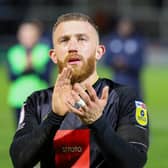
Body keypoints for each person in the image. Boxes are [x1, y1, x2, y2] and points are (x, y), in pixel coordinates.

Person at [10, 13, 149, 168]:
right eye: (64, 40)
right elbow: (20, 161)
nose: (72, 47)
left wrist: (97, 122)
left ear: (99, 51)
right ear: (53, 55)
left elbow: (134, 162)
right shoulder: (37, 101)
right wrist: (54, 118)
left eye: (82, 39)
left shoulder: (124, 98)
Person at [6, 20, 52, 125]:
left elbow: (47, 76)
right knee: (21, 134)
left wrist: (32, 67)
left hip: (41, 99)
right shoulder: (13, 52)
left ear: (37, 35)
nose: (27, 37)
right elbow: (11, 77)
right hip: (18, 99)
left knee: (40, 134)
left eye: (31, 34)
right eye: (24, 34)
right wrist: (26, 68)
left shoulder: (45, 51)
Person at [102, 17, 146, 98]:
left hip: (134, 84)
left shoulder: (138, 42)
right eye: (123, 26)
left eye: (127, 26)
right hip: (117, 83)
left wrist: (127, 64)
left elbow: (141, 63)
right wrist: (114, 62)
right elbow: (106, 61)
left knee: (136, 108)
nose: (125, 29)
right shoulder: (112, 41)